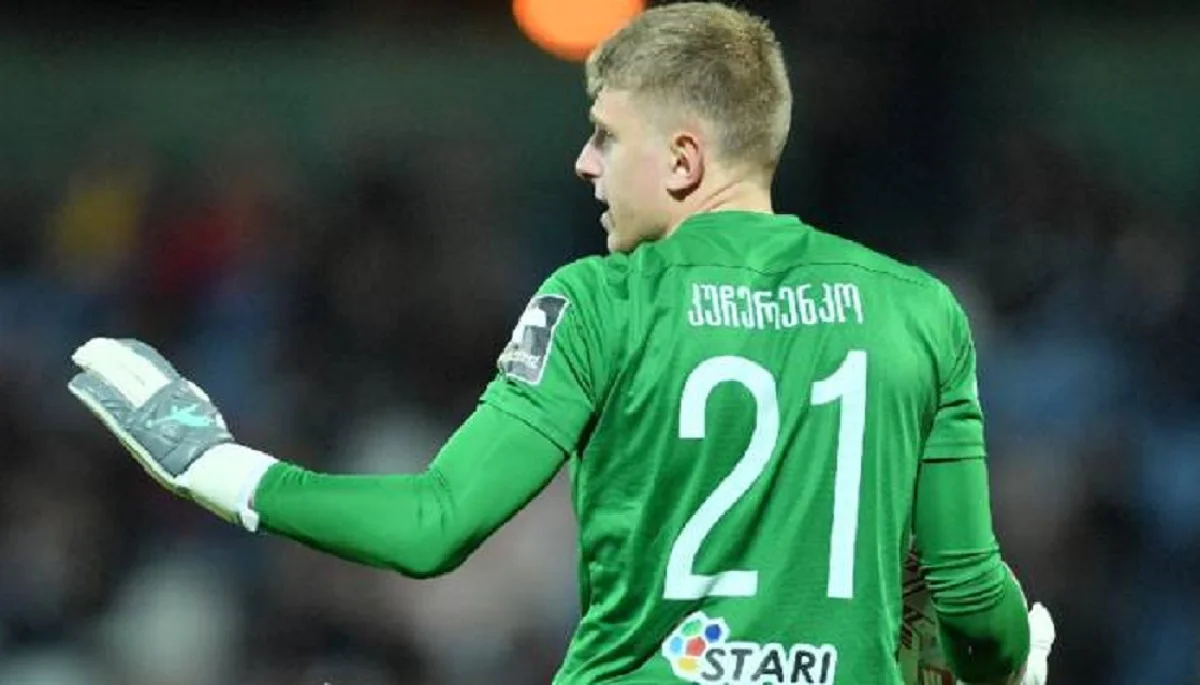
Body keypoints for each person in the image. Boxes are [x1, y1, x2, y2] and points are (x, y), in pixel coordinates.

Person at [67, 3, 1054, 683]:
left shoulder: (599, 302)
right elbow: (974, 604)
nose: (584, 162)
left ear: (683, 158)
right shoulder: (919, 311)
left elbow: (432, 525)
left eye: (605, 135)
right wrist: (1003, 662)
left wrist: (219, 467)